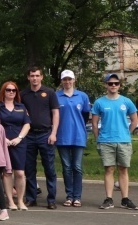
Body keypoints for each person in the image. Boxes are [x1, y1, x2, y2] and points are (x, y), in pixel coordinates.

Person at [92, 73, 138, 210]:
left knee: (123, 169)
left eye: (116, 83)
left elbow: (135, 120)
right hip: (106, 141)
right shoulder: (99, 102)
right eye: (110, 83)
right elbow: (94, 124)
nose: (113, 86)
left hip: (123, 141)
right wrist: (98, 138)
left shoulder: (126, 101)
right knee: (109, 169)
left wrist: (127, 133)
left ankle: (125, 199)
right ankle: (109, 199)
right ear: (106, 85)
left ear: (119, 85)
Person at [20, 67, 60, 209]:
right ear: (28, 77)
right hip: (29, 135)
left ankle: (51, 199)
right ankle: (31, 198)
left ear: (42, 77)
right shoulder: (23, 94)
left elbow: (55, 113)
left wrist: (54, 133)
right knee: (29, 169)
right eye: (32, 76)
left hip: (46, 134)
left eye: (37, 75)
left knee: (49, 168)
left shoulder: (49, 93)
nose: (35, 78)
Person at [55, 70, 91, 207]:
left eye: (69, 79)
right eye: (65, 79)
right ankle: (69, 196)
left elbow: (85, 115)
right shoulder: (56, 96)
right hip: (62, 136)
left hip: (78, 136)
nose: (67, 82)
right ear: (62, 81)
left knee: (77, 167)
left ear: (74, 80)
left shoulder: (82, 96)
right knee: (66, 167)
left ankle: (77, 197)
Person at [0, 82, 31, 211]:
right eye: (8, 90)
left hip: (19, 143)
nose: (11, 92)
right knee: (7, 172)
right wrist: (3, 139)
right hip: (3, 142)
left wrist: (19, 138)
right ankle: (10, 200)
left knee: (20, 173)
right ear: (3, 91)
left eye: (14, 90)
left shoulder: (21, 107)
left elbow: (27, 124)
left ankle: (20, 200)